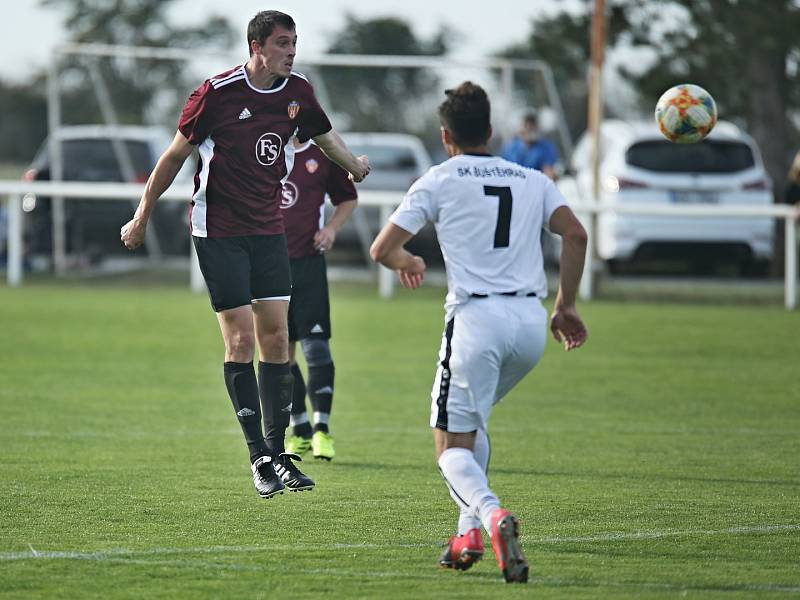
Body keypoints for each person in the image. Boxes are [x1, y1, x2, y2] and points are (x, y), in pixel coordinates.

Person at [120, 10, 370, 500]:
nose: (291, 51)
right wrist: (141, 215)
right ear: (256, 45)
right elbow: (173, 157)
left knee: (277, 338)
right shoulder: (216, 93)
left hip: (268, 229)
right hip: (218, 231)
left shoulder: (299, 92)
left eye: (295, 42)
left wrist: (354, 164)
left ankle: (279, 454)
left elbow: (324, 134)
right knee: (241, 341)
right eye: (282, 43)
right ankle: (257, 456)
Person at [370, 82, 588, 583]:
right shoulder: (531, 178)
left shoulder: (440, 178)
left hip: (475, 322)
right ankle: (465, 532)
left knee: (449, 446)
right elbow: (575, 233)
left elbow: (383, 248)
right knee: (473, 424)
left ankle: (491, 516)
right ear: (491, 131)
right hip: (531, 324)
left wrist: (409, 259)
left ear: (446, 135)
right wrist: (567, 305)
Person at [281, 136, 358, 461]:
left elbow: (347, 198)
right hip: (269, 265)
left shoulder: (322, 154)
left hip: (309, 264)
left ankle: (322, 430)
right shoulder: (264, 148)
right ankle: (299, 431)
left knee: (316, 347)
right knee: (280, 352)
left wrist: (331, 229)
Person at [500, 111, 560, 180]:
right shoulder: (510, 148)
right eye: (526, 125)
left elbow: (548, 171)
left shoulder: (545, 147)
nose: (529, 128)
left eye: (532, 124)